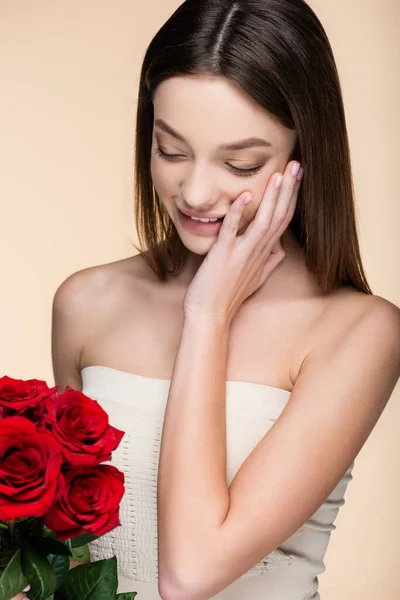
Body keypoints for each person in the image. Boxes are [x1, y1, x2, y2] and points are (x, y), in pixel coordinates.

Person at [11, 0, 400, 598]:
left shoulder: (358, 331)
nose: (195, 191)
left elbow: (190, 574)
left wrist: (208, 314)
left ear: (305, 155)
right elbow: (70, 553)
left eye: (240, 163)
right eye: (170, 150)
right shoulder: (89, 302)